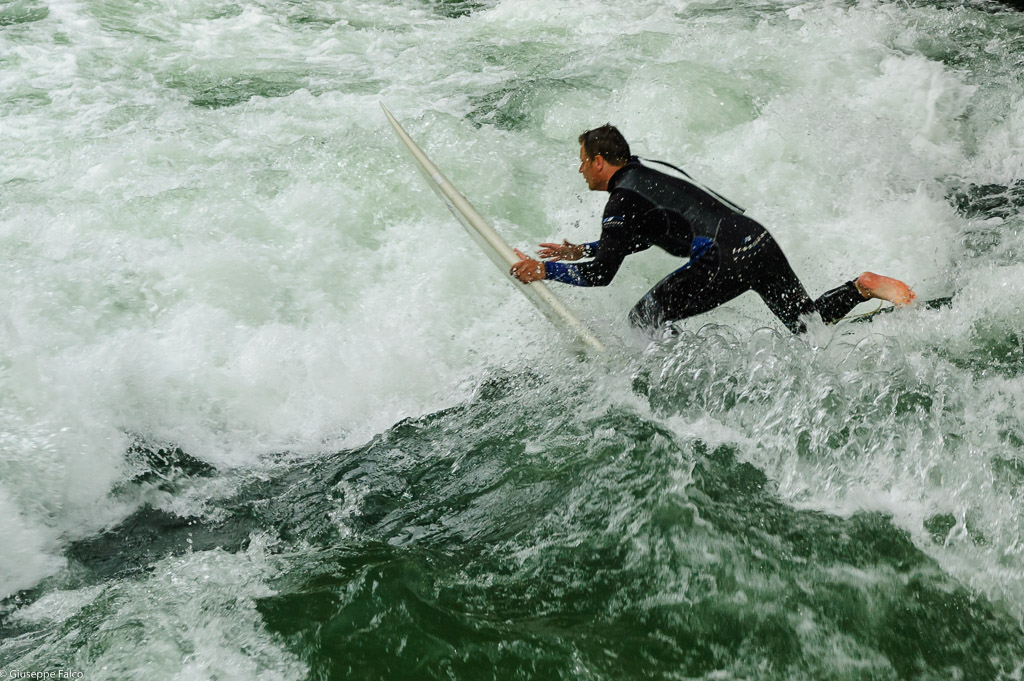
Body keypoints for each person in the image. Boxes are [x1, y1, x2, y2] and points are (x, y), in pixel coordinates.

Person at [509, 124, 915, 333]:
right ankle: (861, 286)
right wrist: (581, 249)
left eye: (582, 160)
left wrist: (546, 270)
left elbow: (603, 274)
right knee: (806, 324)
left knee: (643, 320)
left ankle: (673, 389)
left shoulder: (622, 198)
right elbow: (638, 237)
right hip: (755, 238)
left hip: (724, 256)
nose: (579, 169)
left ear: (600, 161)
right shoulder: (647, 177)